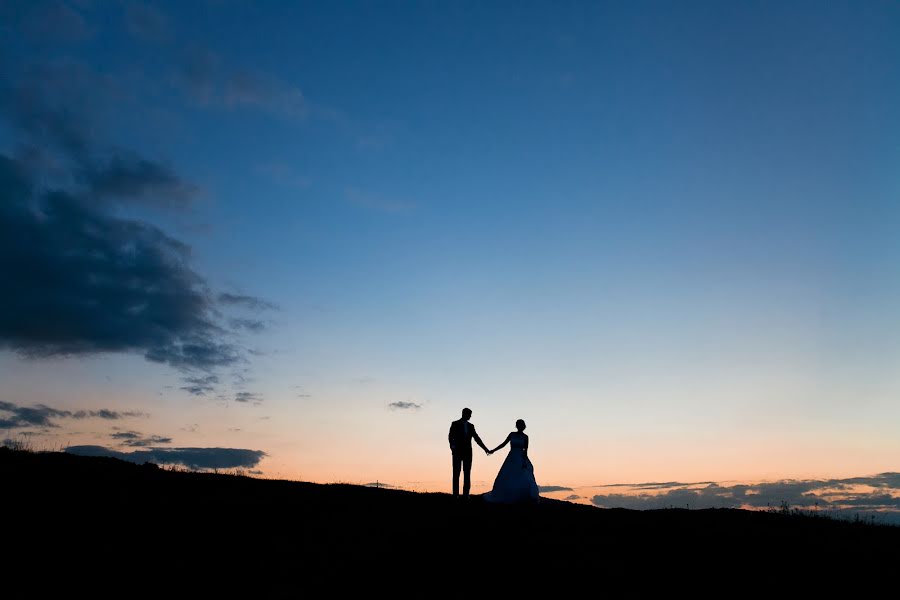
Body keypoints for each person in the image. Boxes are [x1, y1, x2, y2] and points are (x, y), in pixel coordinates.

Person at [484, 419, 540, 504]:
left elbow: (525, 450)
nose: (520, 427)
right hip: (511, 457)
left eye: (521, 425)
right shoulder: (512, 434)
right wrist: (493, 450)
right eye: (518, 425)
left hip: (520, 457)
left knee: (522, 476)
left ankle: (522, 495)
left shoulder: (525, 437)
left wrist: (524, 461)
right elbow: (503, 444)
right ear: (517, 426)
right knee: (507, 476)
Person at [448, 408, 490, 498]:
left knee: (467, 473)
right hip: (457, 452)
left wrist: (485, 449)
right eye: (469, 414)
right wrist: (453, 447)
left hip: (468, 452)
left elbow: (477, 438)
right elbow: (450, 436)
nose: (470, 416)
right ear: (464, 414)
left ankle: (466, 494)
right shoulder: (455, 424)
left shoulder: (471, 426)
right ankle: (455, 495)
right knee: (456, 472)